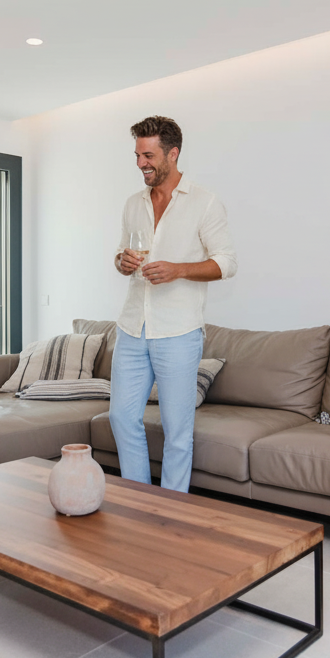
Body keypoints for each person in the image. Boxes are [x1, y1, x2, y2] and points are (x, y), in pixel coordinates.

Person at [110, 116, 237, 492]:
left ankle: (170, 511)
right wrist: (122, 262)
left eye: (148, 156)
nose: (140, 164)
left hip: (178, 332)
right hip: (132, 327)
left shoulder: (205, 203)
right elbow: (120, 254)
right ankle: (138, 503)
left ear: (173, 153)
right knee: (121, 417)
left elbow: (227, 263)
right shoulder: (133, 204)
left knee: (177, 432)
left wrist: (178, 269)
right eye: (137, 155)